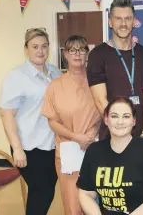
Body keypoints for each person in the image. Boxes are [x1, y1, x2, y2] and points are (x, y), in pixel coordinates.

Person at [0, 28, 61, 215]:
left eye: (44, 46)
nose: (40, 51)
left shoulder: (55, 72)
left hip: (52, 144)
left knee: (46, 191)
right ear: (26, 49)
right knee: (41, 191)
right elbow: (6, 114)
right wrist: (17, 148)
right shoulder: (16, 76)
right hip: (29, 146)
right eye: (35, 47)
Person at [76, 97, 143, 215]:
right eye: (114, 116)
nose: (120, 122)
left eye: (126, 116)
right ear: (106, 120)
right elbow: (85, 194)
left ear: (133, 121)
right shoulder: (94, 151)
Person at [41, 35, 100, 215]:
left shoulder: (97, 81)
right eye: (72, 50)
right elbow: (52, 121)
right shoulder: (55, 85)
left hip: (95, 146)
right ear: (65, 54)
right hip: (68, 152)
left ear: (87, 53)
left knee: (98, 199)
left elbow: (104, 112)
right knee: (73, 203)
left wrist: (90, 135)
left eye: (81, 49)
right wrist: (77, 138)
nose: (77, 54)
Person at [87, 0, 143, 140]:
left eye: (128, 19)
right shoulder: (97, 55)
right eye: (118, 19)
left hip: (141, 137)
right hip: (112, 137)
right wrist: (121, 131)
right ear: (110, 22)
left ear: (134, 22)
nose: (123, 24)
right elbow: (100, 101)